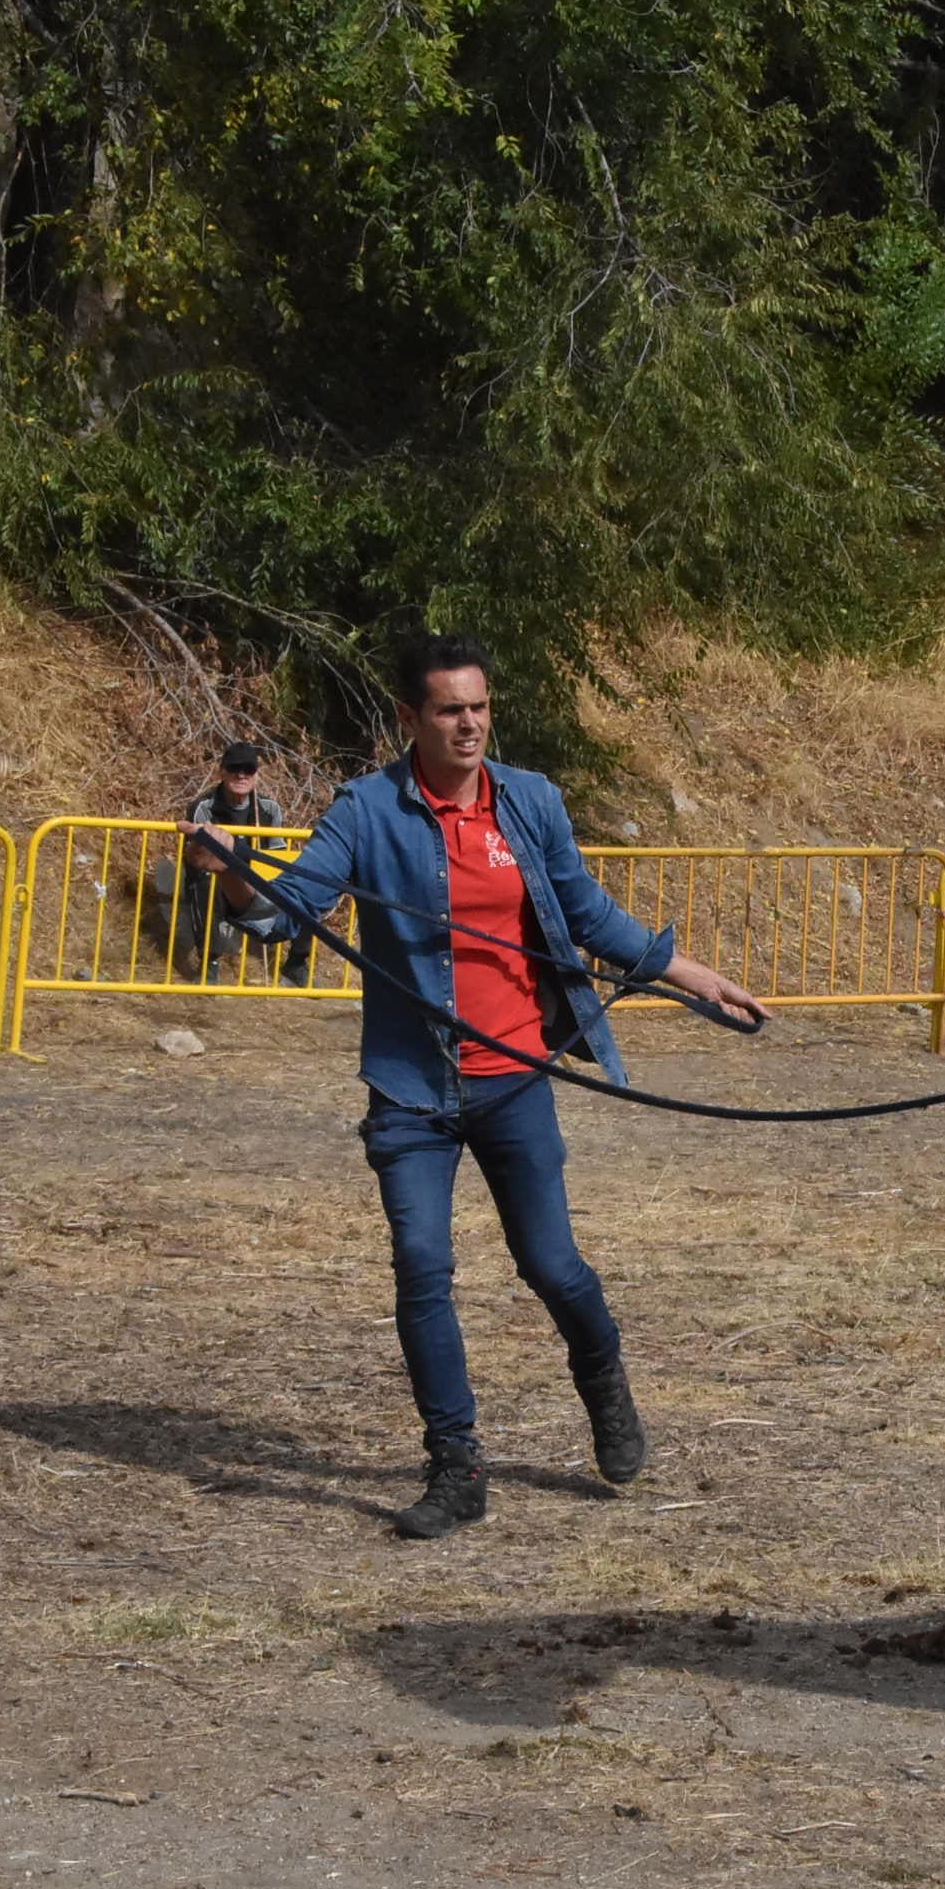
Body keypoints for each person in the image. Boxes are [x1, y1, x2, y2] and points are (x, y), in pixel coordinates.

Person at [180, 635, 766, 1539]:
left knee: (551, 1266)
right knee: (422, 1270)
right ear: (410, 718)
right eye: (450, 709)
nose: (470, 725)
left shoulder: (529, 802)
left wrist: (694, 977)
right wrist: (226, 877)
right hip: (410, 1091)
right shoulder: (368, 810)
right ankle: (456, 1467)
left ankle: (603, 1381)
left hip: (514, 1080)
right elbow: (281, 914)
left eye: (480, 707)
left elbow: (586, 915)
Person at [180, 741, 310, 987]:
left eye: (248, 769)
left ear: (256, 775)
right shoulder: (203, 807)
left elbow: (277, 854)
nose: (241, 774)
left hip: (256, 876)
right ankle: (209, 960)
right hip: (216, 875)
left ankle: (296, 963)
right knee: (202, 883)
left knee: (303, 887)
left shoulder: (270, 809)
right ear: (222, 771)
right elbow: (199, 856)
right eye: (233, 768)